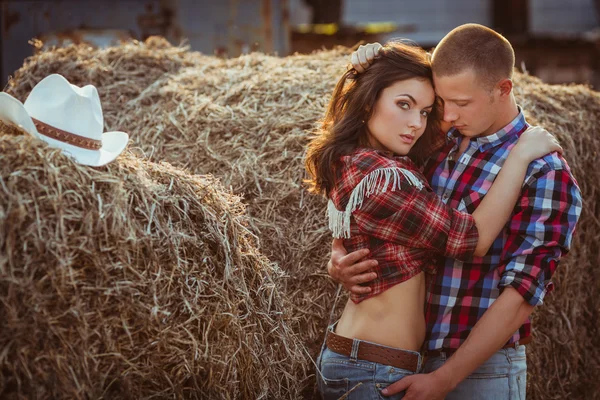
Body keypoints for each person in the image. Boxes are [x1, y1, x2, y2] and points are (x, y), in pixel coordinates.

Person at [327, 24, 583, 399]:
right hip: (409, 361)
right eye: (440, 103)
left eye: (460, 103)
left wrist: (446, 378)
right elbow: (369, 203)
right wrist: (338, 254)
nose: (444, 115)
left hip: (480, 372)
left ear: (503, 89)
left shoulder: (544, 169)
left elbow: (522, 293)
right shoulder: (432, 141)